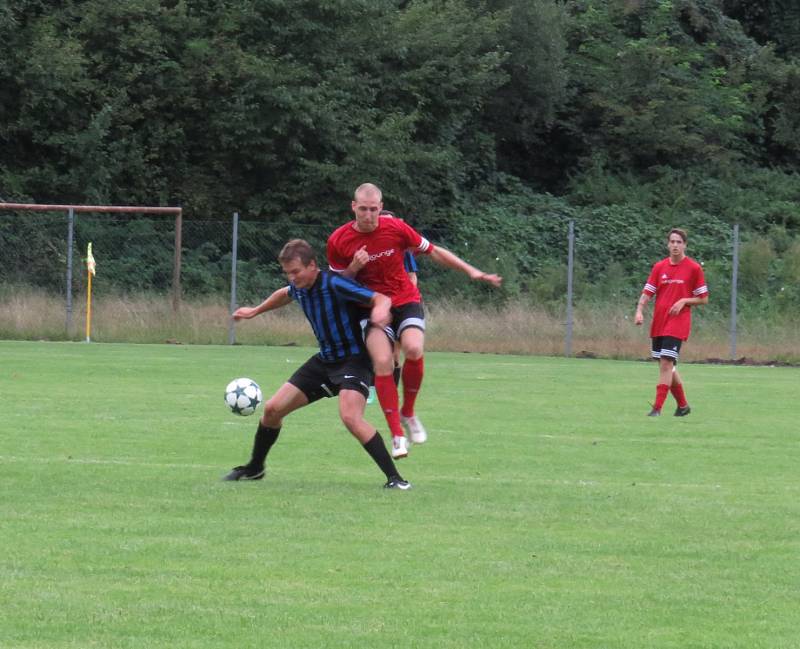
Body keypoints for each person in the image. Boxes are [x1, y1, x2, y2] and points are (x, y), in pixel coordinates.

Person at [327, 183, 503, 459]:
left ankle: (408, 412)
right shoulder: (339, 240)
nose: (369, 215)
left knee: (413, 348)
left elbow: (433, 251)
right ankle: (397, 435)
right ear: (353, 207)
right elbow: (337, 283)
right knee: (384, 361)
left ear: (381, 207)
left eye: (374, 209)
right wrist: (354, 268)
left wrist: (472, 271)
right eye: (363, 209)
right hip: (370, 308)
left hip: (405, 300)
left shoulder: (396, 228)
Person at [225, 239, 411, 489]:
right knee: (272, 410)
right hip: (325, 361)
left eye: (296, 272)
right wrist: (254, 311)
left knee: (350, 417)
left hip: (354, 362)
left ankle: (396, 479)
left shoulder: (335, 283)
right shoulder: (299, 286)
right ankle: (255, 468)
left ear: (312, 265)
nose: (292, 278)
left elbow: (379, 298)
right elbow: (285, 294)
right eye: (288, 273)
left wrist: (380, 310)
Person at [634, 228, 708, 417]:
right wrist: (639, 310)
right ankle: (683, 406)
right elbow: (648, 292)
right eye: (672, 242)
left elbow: (703, 298)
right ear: (668, 244)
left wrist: (684, 300)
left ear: (685, 245)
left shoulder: (694, 268)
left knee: (666, 363)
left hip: (678, 323)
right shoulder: (659, 267)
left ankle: (657, 408)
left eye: (679, 242)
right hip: (660, 323)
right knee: (666, 365)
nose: (675, 245)